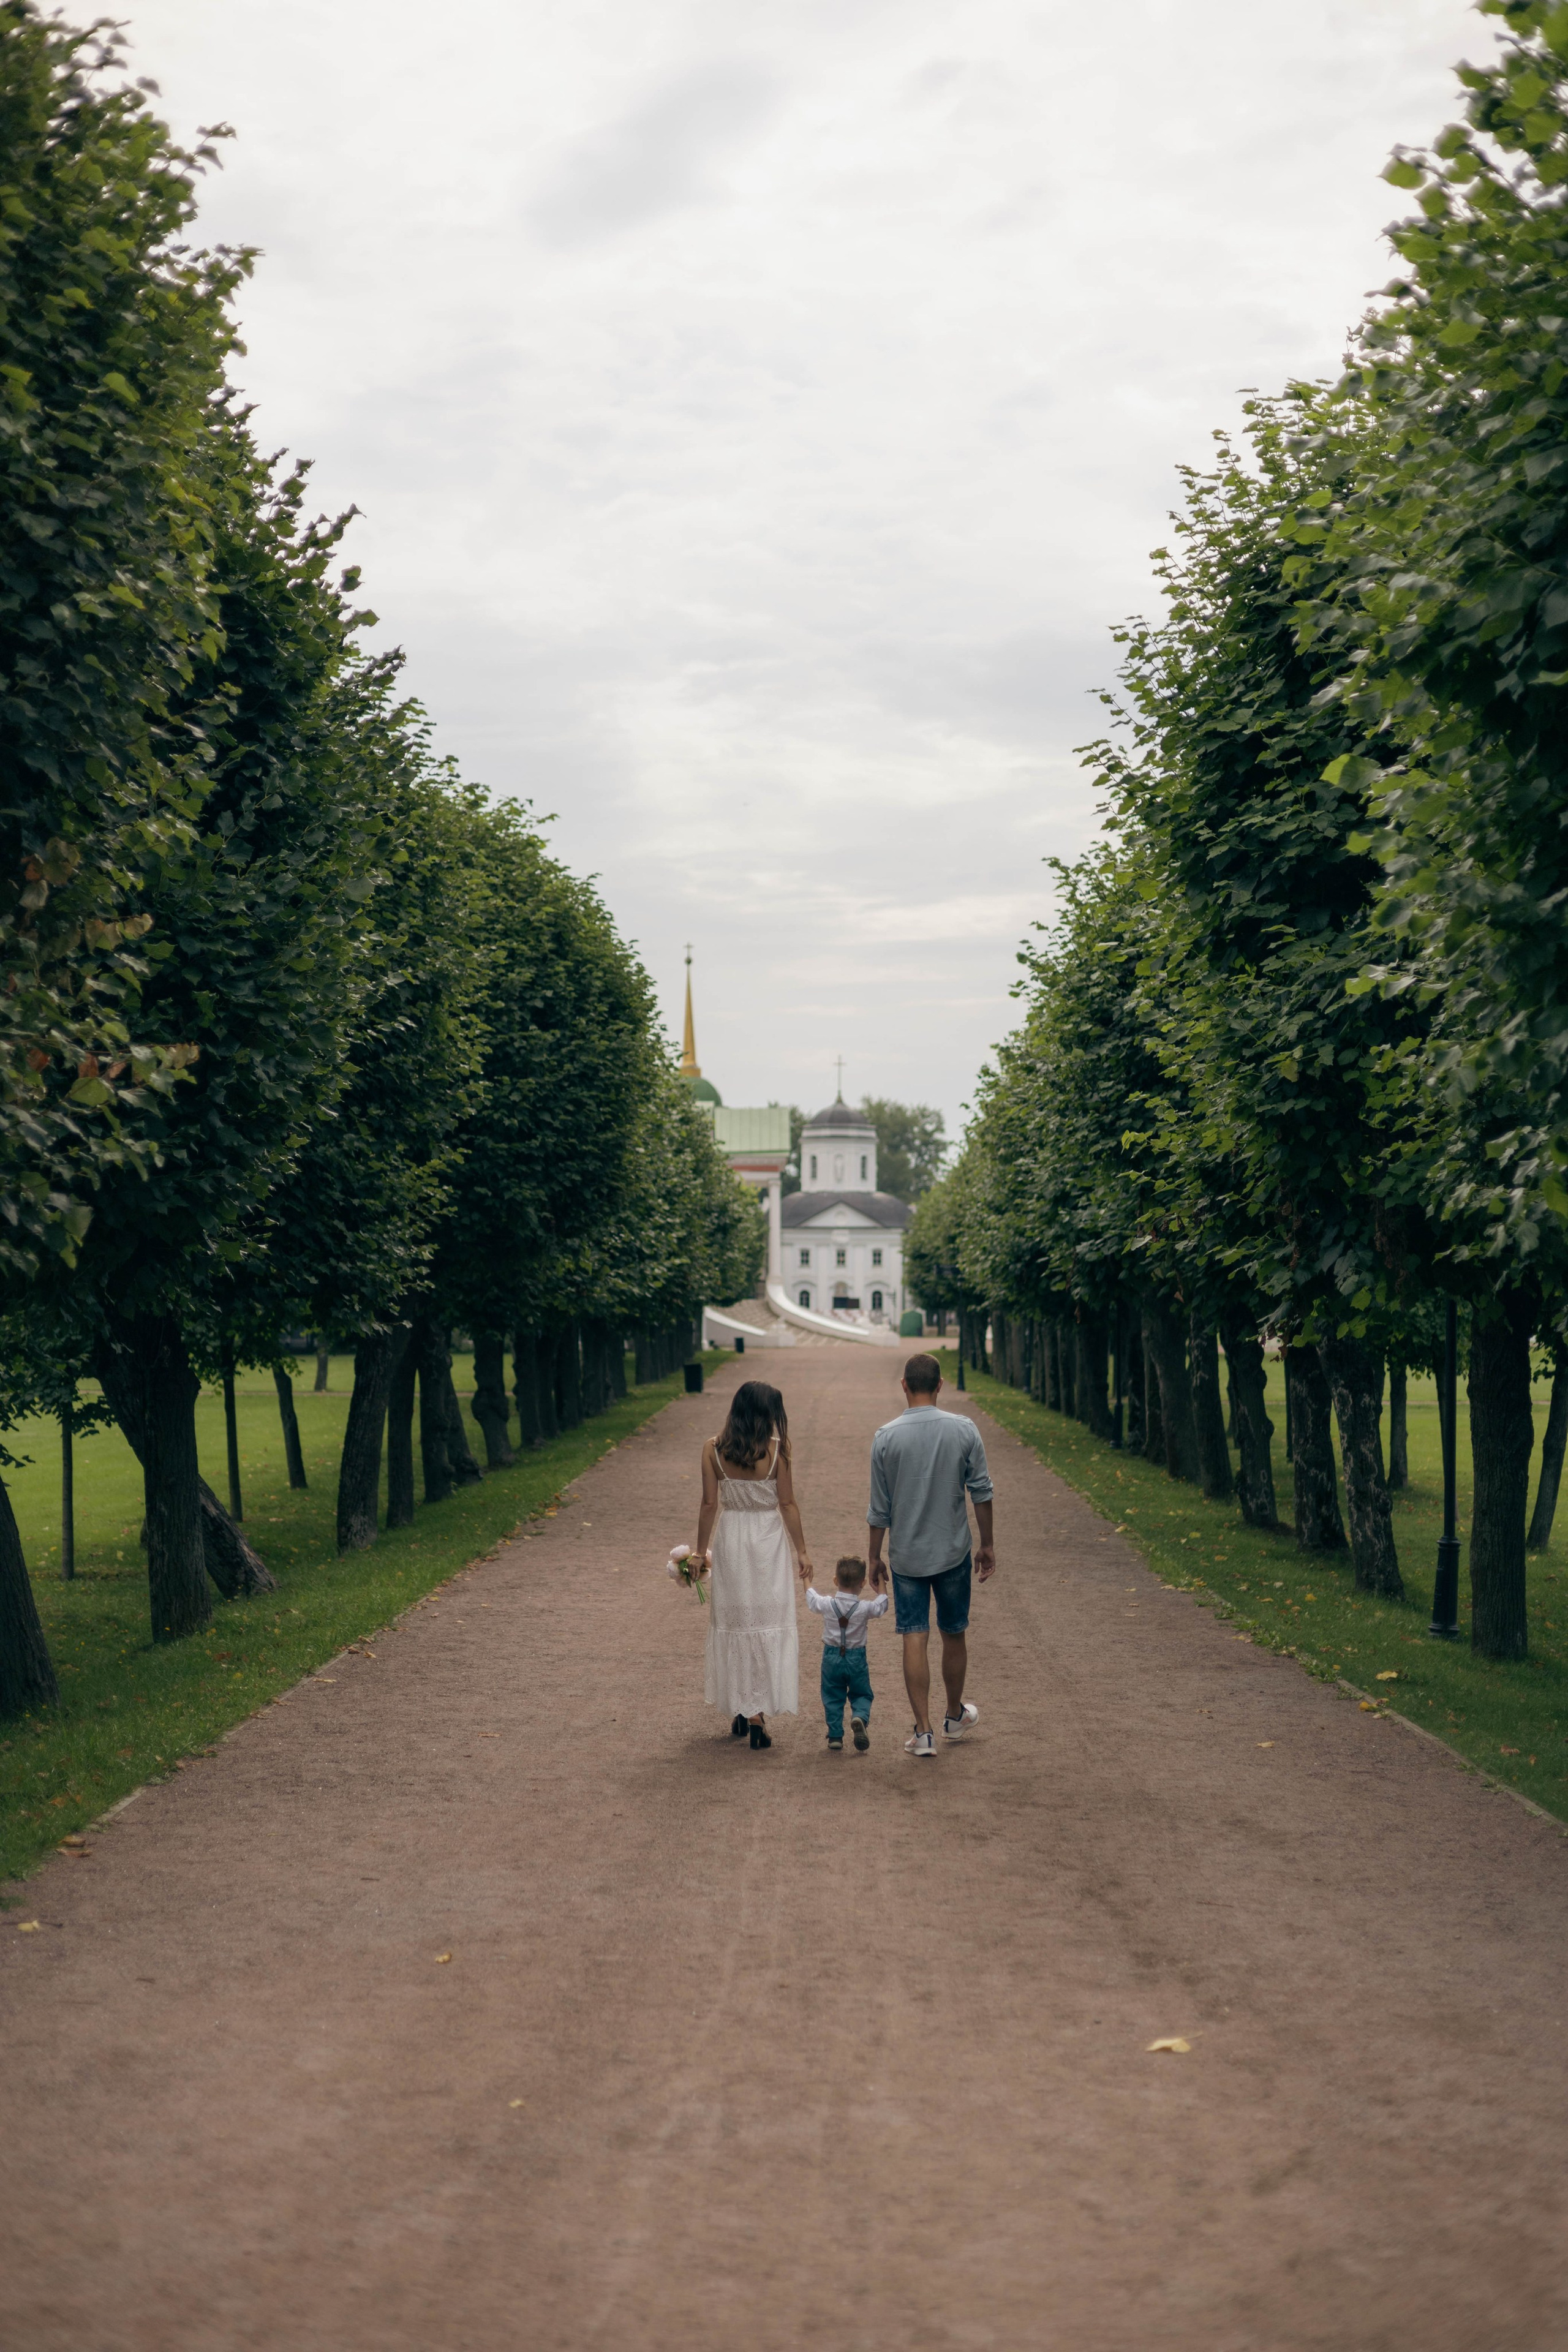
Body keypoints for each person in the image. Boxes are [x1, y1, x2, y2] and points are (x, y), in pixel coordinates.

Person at [867, 1352, 995, 1759]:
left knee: (914, 1635)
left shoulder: (886, 1437)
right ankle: (954, 1715)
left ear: (904, 1385)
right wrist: (987, 1544)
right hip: (952, 1550)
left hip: (907, 1555)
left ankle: (923, 1732)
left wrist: (874, 1556)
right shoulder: (964, 1429)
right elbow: (982, 1491)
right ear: (940, 1385)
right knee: (953, 1632)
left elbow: (879, 1509)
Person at [693, 1379, 813, 1751]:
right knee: (764, 1620)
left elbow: (709, 1504)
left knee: (736, 1621)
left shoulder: (713, 1449)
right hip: (767, 1542)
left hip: (732, 1538)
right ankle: (757, 1712)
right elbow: (787, 1504)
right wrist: (802, 1551)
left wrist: (699, 1553)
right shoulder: (778, 1451)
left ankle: (742, 1709)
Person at [805, 1555, 889, 1751]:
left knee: (832, 1695)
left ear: (836, 1580)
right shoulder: (864, 1608)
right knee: (862, 1693)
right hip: (857, 1658)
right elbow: (882, 1605)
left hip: (831, 1658)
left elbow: (812, 1599)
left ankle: (835, 1736)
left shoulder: (828, 1604)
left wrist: (805, 1578)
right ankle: (859, 1716)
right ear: (863, 1583)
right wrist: (881, 1582)